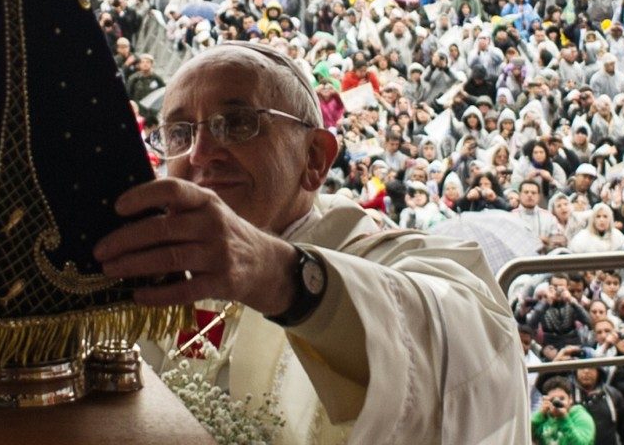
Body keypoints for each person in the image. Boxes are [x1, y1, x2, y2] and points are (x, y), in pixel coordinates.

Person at [96, 43, 529, 444]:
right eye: (179, 132)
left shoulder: (375, 252)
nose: (200, 152)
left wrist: (280, 278)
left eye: (238, 123)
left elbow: (474, 344)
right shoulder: (160, 264)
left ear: (315, 158)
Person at [532, 377, 596, 445]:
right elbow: (524, 433)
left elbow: (581, 443)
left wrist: (563, 418)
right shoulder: (544, 418)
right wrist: (540, 414)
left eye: (561, 398)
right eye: (552, 399)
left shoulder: (581, 417)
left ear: (570, 399)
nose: (557, 403)